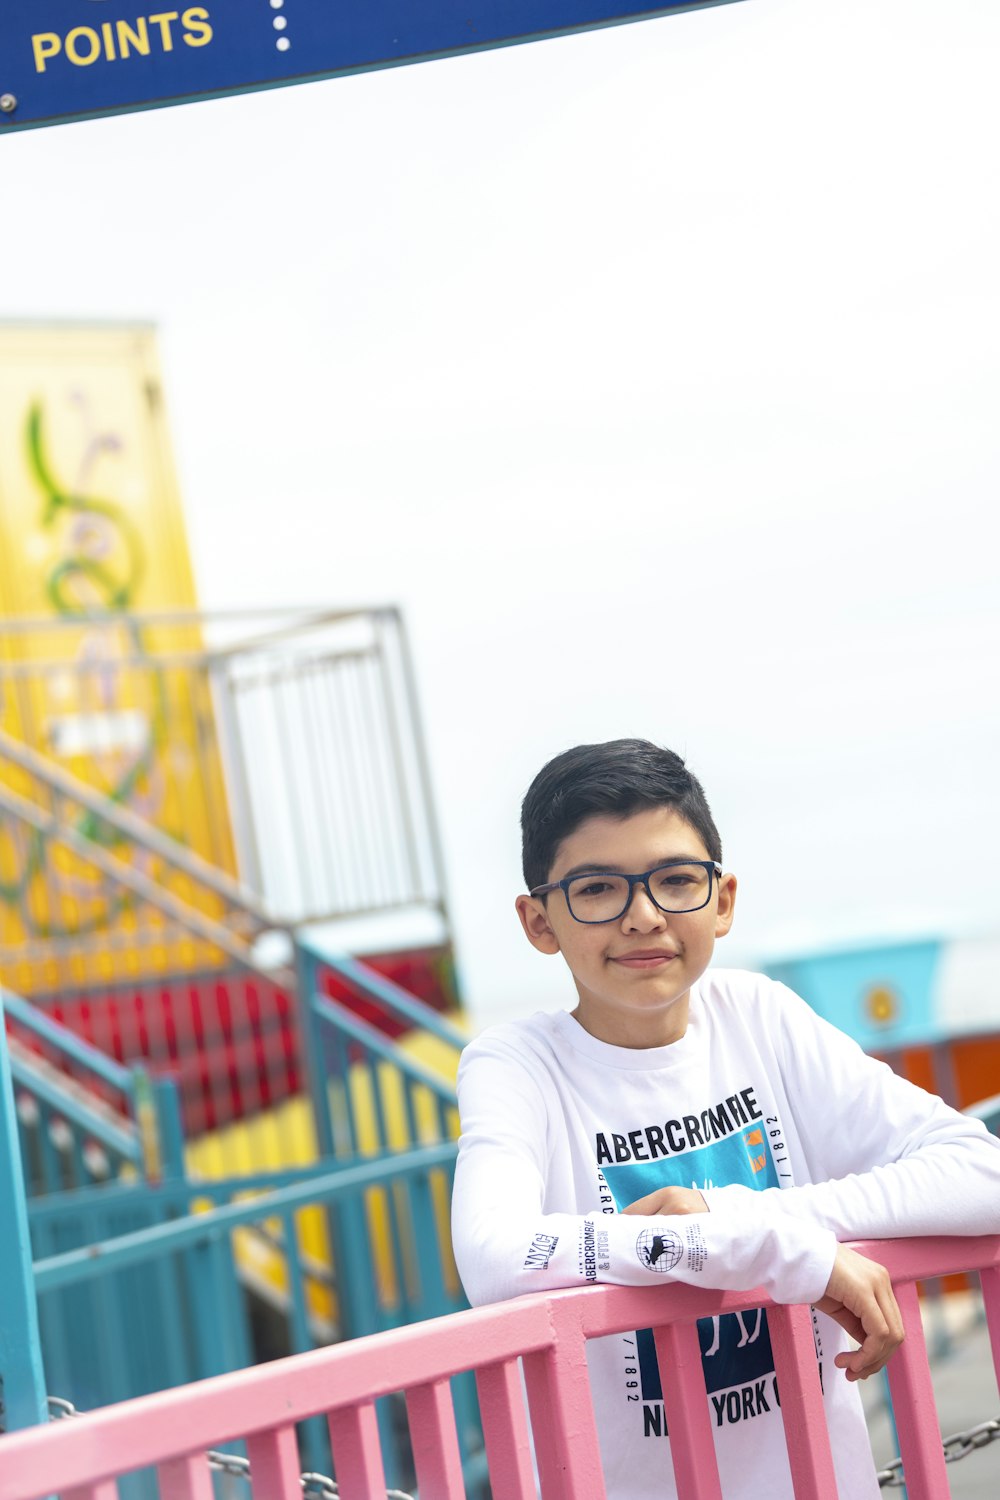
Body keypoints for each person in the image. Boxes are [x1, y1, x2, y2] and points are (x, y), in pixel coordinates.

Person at [450, 739, 1000, 1499]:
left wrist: (744, 1217)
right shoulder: (516, 1066)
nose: (643, 917)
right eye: (598, 889)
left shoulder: (759, 1017)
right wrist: (769, 1246)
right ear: (538, 921)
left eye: (675, 880)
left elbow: (982, 1173)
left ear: (723, 899)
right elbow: (493, 1255)